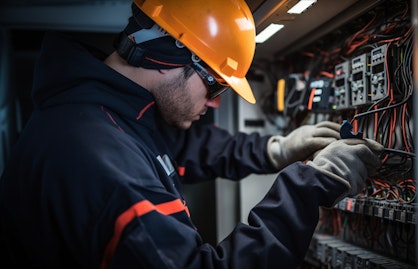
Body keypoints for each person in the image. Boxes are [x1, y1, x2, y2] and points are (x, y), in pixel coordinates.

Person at [0, 0, 384, 268]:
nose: (215, 103)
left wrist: (276, 149)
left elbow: (183, 150)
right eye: (215, 85)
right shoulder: (99, 158)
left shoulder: (107, 117)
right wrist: (308, 187)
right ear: (170, 56)